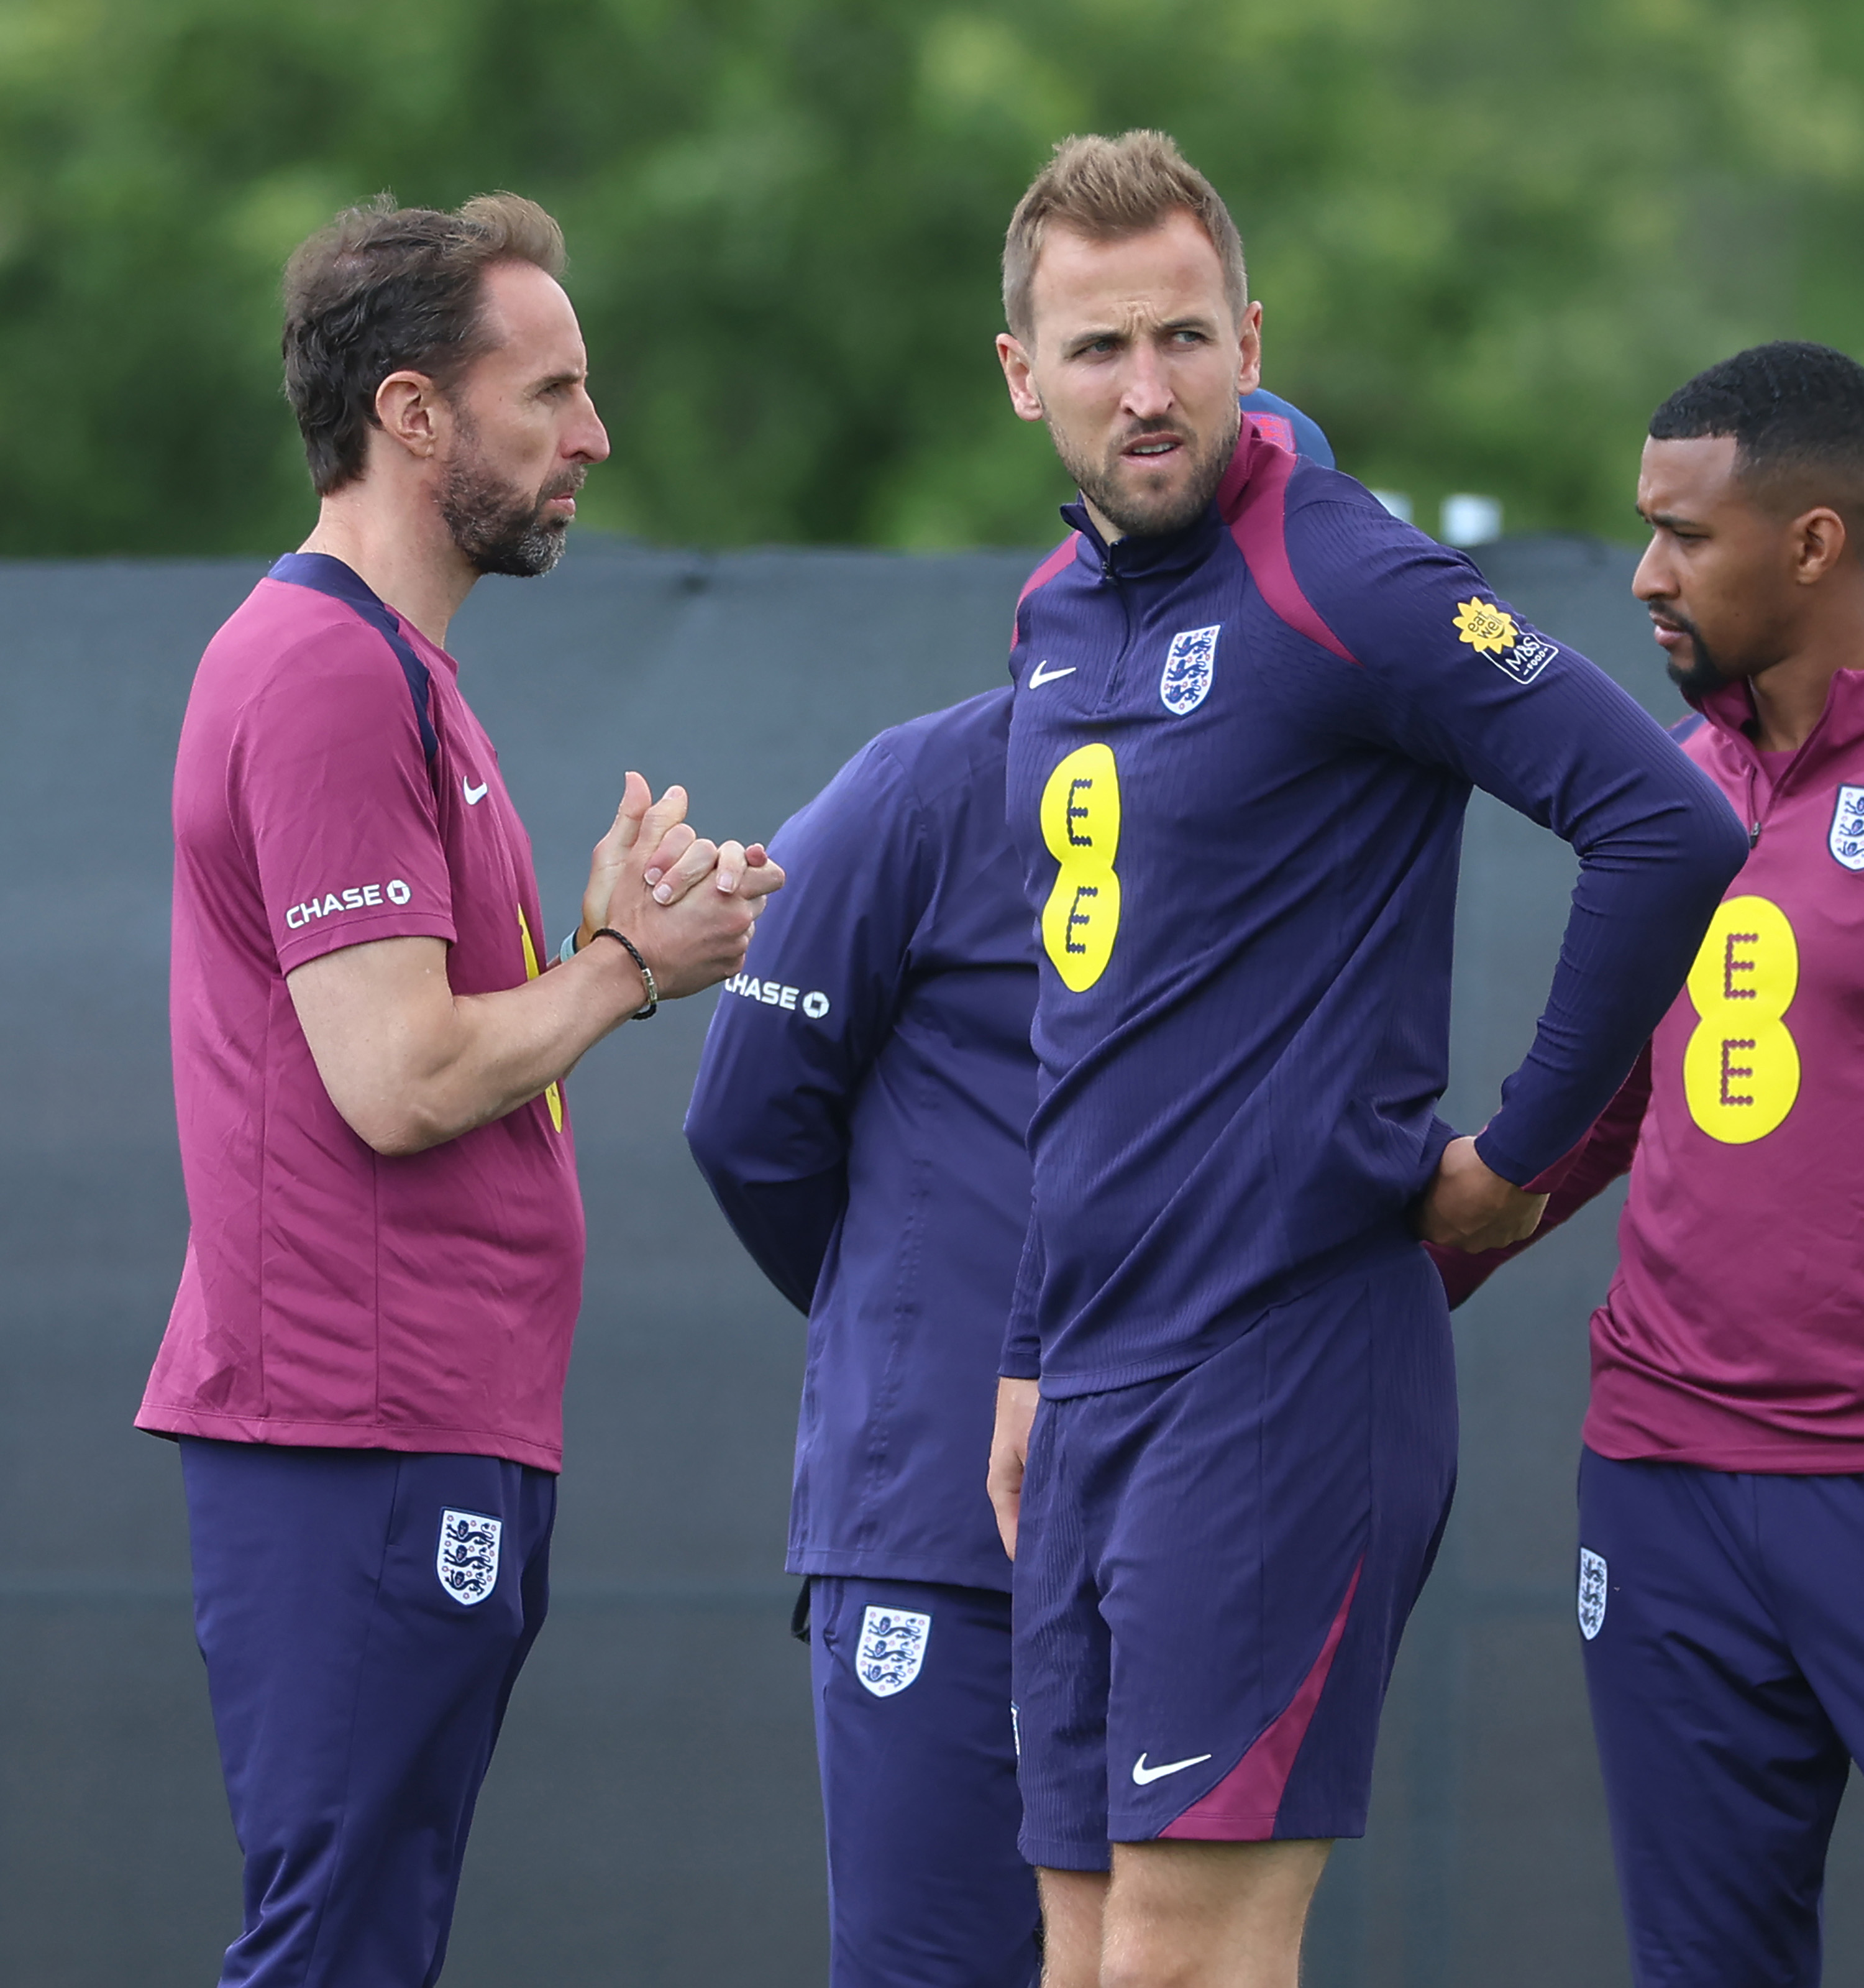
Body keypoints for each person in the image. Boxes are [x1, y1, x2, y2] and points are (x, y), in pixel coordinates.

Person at [982, 131, 1750, 1988]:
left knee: (1180, 1960)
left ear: (1251, 332)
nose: (1147, 390)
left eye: (1184, 335)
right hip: (1088, 1387)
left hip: (1282, 1370)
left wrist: (1518, 1155)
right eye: (1098, 351)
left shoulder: (1343, 569)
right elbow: (1095, 1024)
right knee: (1081, 1956)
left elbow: (1668, 826)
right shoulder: (1053, 611)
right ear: (1022, 377)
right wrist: (1025, 1352)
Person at [135, 193, 780, 1988]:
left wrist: (598, 951)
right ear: (412, 414)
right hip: (354, 1430)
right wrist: (629, 970)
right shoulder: (330, 671)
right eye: (549, 392)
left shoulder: (398, 672)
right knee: (336, 1949)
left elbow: (440, 1041)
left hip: (420, 1426)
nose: (592, 435)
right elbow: (402, 1078)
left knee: (368, 1945)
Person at [685, 382, 1333, 1988]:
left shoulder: (1331, 847)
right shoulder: (930, 786)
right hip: (947, 1539)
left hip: (1208, 1533)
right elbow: (749, 1127)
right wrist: (923, 1338)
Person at [1432, 341, 1864, 1988]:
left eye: (1686, 536)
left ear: (1813, 543)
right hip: (1668, 1484)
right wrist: (1399, 1282)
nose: (1644, 575)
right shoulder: (1682, 795)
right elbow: (1603, 1109)